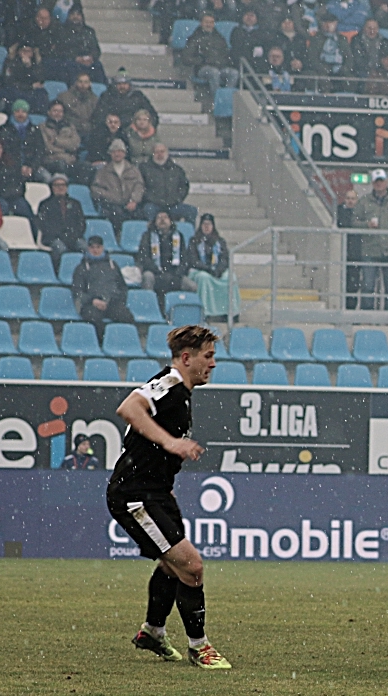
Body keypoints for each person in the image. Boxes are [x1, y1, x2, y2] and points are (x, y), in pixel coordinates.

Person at [108, 325, 231, 670]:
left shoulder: (182, 394)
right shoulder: (170, 383)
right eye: (208, 356)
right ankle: (199, 647)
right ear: (187, 358)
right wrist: (171, 442)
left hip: (153, 492)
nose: (213, 364)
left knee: (173, 567)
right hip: (136, 495)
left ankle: (152, 632)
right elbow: (130, 408)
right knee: (191, 567)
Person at [351, 168, 388, 310]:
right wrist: (366, 225)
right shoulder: (364, 201)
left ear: (386, 182)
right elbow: (354, 222)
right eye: (376, 181)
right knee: (367, 286)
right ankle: (367, 318)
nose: (379, 184)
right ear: (372, 183)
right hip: (370, 249)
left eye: (381, 181)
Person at [186, 214, 237, 322]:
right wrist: (208, 268)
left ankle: (230, 312)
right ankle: (206, 312)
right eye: (204, 224)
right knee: (204, 278)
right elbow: (193, 260)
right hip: (200, 270)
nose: (206, 227)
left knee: (230, 277)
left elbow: (224, 259)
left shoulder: (220, 241)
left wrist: (218, 270)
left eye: (209, 224)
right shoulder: (194, 241)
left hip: (216, 270)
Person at [182, 12, 239, 104]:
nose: (209, 24)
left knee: (234, 73)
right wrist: (200, 61)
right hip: (202, 68)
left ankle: (226, 99)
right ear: (201, 23)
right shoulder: (194, 38)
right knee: (214, 72)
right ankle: (217, 101)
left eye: (211, 22)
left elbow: (226, 55)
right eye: (206, 22)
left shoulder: (220, 38)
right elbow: (186, 57)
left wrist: (225, 62)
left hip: (221, 67)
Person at [91, 138, 146, 229]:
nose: (117, 154)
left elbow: (139, 186)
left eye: (120, 151)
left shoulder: (133, 170)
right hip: (111, 205)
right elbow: (95, 189)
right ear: (110, 154)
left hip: (131, 204)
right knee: (116, 214)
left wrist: (134, 200)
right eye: (114, 151)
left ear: (124, 153)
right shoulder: (103, 171)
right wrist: (109, 196)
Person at [138, 210, 194, 296]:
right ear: (154, 221)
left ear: (171, 221)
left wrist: (178, 272)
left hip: (174, 274)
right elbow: (144, 257)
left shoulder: (178, 236)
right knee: (147, 276)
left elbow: (184, 259)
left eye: (165, 217)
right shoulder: (147, 236)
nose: (162, 220)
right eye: (159, 218)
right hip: (155, 273)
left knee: (192, 286)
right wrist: (157, 270)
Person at [36, 172, 85, 263]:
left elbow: (81, 224)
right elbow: (43, 225)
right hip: (53, 238)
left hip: (73, 237)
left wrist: (72, 236)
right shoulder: (45, 204)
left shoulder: (75, 204)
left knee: (84, 247)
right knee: (60, 248)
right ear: (52, 187)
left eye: (63, 185)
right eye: (57, 185)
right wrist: (60, 236)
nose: (60, 187)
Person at [139, 144, 193, 224]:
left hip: (173, 205)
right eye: (157, 152)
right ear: (152, 153)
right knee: (148, 210)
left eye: (162, 151)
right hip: (153, 205)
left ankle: (189, 235)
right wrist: (149, 198)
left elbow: (184, 186)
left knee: (191, 211)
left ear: (167, 153)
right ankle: (150, 233)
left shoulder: (177, 169)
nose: (159, 154)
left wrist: (177, 199)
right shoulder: (144, 168)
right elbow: (140, 186)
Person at [39, 101, 81, 180]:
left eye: (60, 111)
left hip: (70, 161)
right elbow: (47, 147)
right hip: (51, 160)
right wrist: (66, 149)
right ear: (49, 112)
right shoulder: (42, 127)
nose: (58, 113)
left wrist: (56, 141)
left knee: (86, 167)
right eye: (55, 111)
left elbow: (75, 145)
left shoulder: (70, 127)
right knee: (61, 164)